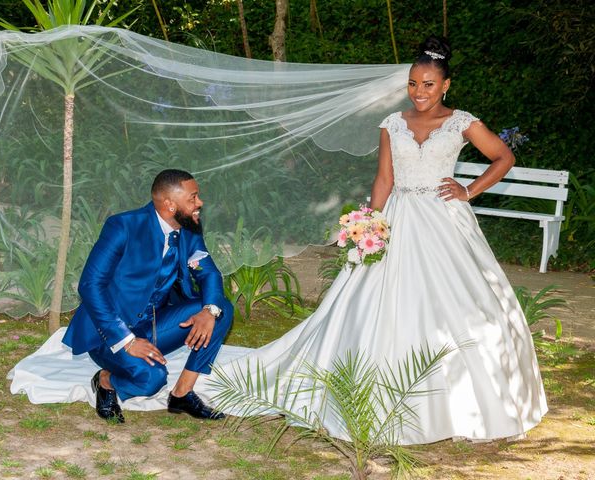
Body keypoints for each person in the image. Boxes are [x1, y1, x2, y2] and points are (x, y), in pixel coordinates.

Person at [198, 36, 547, 444]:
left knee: (454, 300)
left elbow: (504, 157)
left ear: (446, 86)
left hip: (443, 221)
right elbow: (384, 178)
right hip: (397, 217)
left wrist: (469, 190)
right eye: (414, 83)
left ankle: (457, 399)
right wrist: (370, 223)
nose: (420, 92)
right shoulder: (393, 123)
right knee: (373, 297)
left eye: (429, 84)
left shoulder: (462, 122)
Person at [62, 169, 233, 423]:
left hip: (154, 324)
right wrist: (128, 341)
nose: (200, 203)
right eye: (193, 198)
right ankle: (106, 380)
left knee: (221, 309)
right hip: (109, 334)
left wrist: (209, 311)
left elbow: (208, 272)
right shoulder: (123, 226)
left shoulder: (190, 230)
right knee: (151, 379)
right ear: (170, 205)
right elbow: (90, 285)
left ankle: (182, 394)